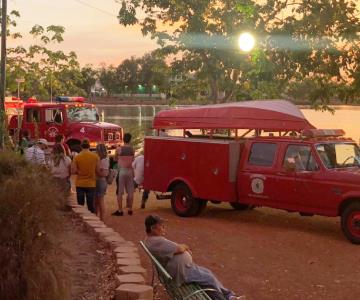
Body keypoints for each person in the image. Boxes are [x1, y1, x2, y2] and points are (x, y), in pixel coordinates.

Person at [144, 215, 243, 300]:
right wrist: (185, 248)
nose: (164, 228)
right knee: (208, 278)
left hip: (182, 269)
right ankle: (226, 298)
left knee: (208, 273)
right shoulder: (156, 242)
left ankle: (229, 296)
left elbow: (175, 250)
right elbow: (179, 248)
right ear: (153, 228)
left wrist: (183, 251)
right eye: (161, 226)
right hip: (181, 273)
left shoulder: (154, 240)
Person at [71, 139, 99, 213]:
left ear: (81, 146)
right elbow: (98, 170)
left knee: (80, 206)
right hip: (91, 183)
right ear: (89, 146)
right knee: (91, 205)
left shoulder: (77, 157)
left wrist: (79, 172)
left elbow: (73, 171)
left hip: (80, 183)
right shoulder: (95, 156)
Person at [112, 133, 134, 216]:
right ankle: (130, 209)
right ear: (130, 140)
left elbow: (114, 159)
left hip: (122, 171)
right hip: (130, 171)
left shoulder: (119, 149)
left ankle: (120, 210)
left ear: (123, 139)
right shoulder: (132, 149)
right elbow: (133, 159)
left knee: (120, 191)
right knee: (130, 191)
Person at [95, 143, 110, 221]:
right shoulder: (104, 159)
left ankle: (101, 220)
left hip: (100, 181)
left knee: (100, 201)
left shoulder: (103, 160)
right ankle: (99, 219)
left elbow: (104, 173)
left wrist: (97, 171)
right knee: (97, 201)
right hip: (101, 181)